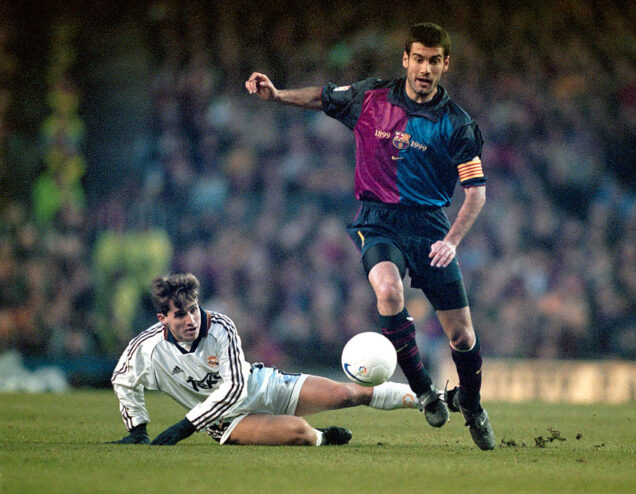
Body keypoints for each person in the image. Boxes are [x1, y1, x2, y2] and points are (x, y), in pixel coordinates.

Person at [245, 22, 494, 450]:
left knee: (462, 337)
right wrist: (278, 95)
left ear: (445, 65)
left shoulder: (457, 124)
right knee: (388, 291)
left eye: (434, 61)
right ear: (406, 59)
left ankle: (471, 404)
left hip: (431, 227)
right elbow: (324, 97)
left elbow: (476, 193)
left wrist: (451, 240)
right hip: (378, 220)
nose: (425, 69)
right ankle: (424, 391)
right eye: (419, 59)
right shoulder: (371, 97)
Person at [108, 273, 418, 447]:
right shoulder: (146, 348)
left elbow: (234, 388)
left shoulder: (220, 326)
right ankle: (324, 437)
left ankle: (431, 398)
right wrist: (138, 429)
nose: (191, 320)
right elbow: (122, 378)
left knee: (347, 392)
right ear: (162, 318)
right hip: (227, 421)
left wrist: (186, 426)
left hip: (261, 385)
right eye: (180, 315)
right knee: (300, 432)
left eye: (193, 309)